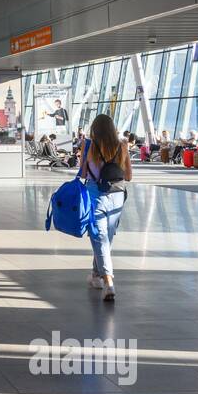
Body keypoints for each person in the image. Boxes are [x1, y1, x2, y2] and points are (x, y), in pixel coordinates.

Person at [83, 113, 132, 301]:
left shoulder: (89, 145)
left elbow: (83, 172)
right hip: (117, 196)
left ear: (94, 129)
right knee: (105, 239)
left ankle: (109, 282)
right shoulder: (123, 146)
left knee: (100, 237)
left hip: (95, 194)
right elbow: (128, 176)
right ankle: (96, 275)